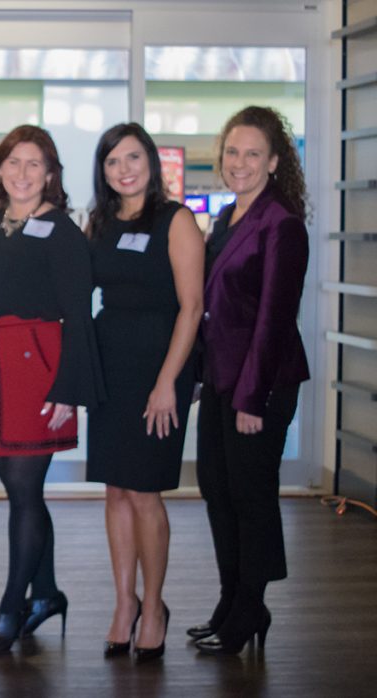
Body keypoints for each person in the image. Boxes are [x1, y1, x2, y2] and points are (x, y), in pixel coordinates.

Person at [0, 126, 105, 657]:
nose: (22, 173)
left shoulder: (64, 231)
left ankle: (11, 607)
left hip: (41, 369)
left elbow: (78, 313)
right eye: (13, 162)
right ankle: (45, 593)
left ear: (50, 174)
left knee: (24, 493)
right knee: (21, 492)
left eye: (34, 164)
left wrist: (68, 387)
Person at [191, 106, 310, 655]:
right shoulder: (228, 216)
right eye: (233, 152)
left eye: (253, 154)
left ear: (275, 161)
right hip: (220, 379)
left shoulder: (282, 223)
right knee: (217, 491)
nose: (240, 163)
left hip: (259, 386)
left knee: (251, 497)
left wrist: (252, 398)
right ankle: (230, 601)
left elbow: (274, 319)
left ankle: (250, 610)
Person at [85, 122, 204, 662]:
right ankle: (123, 604)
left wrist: (167, 384)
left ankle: (153, 606)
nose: (124, 169)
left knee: (145, 493)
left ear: (151, 162)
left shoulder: (176, 220)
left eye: (133, 157)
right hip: (111, 365)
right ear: (103, 171)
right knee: (115, 490)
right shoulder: (101, 222)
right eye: (112, 161)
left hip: (159, 365)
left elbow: (192, 307)